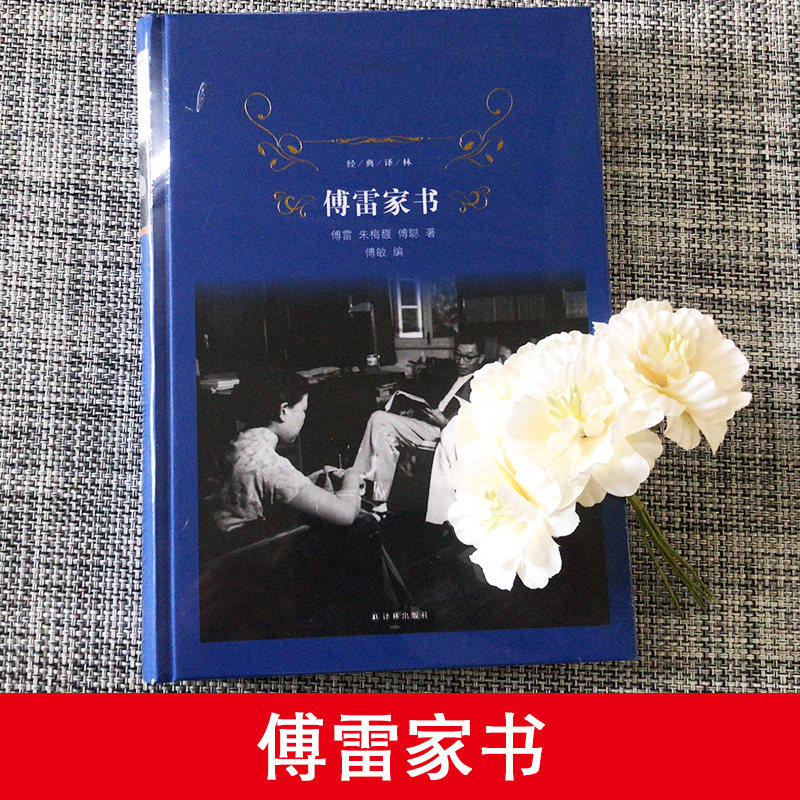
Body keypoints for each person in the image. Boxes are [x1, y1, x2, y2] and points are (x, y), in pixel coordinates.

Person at [214, 373, 364, 535]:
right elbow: (345, 514)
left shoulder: (237, 444)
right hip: (254, 546)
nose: (304, 416)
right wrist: (352, 475)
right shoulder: (269, 463)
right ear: (283, 411)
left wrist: (310, 480)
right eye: (303, 410)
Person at [352, 334, 486, 504]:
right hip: (429, 424)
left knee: (378, 418)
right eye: (458, 355)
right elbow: (431, 399)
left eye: (468, 357)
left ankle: (356, 483)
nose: (461, 362)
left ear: (480, 358)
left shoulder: (483, 383)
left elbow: (473, 428)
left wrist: (445, 423)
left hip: (445, 433)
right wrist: (414, 411)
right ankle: (379, 500)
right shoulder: (450, 374)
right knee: (386, 436)